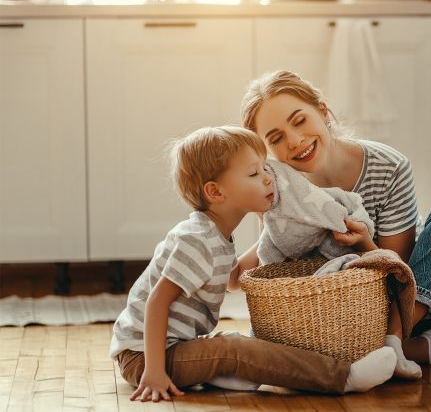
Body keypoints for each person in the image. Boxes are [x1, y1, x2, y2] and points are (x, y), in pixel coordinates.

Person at [239, 71, 431, 380]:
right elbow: (279, 261)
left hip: (419, 300)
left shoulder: (388, 166)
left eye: (299, 121)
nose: (295, 140)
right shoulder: (277, 186)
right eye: (276, 137)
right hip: (340, 318)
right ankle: (416, 349)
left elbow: (398, 273)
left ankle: (394, 341)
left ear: (323, 112)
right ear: (266, 149)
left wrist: (364, 245)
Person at [109, 126, 396, 402]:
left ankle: (223, 371)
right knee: (232, 348)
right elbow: (157, 301)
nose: (268, 178)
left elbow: (233, 279)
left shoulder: (216, 235)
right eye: (254, 173)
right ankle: (343, 378)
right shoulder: (197, 240)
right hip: (144, 355)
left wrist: (274, 240)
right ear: (216, 192)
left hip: (170, 347)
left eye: (264, 169)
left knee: (233, 345)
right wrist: (155, 372)